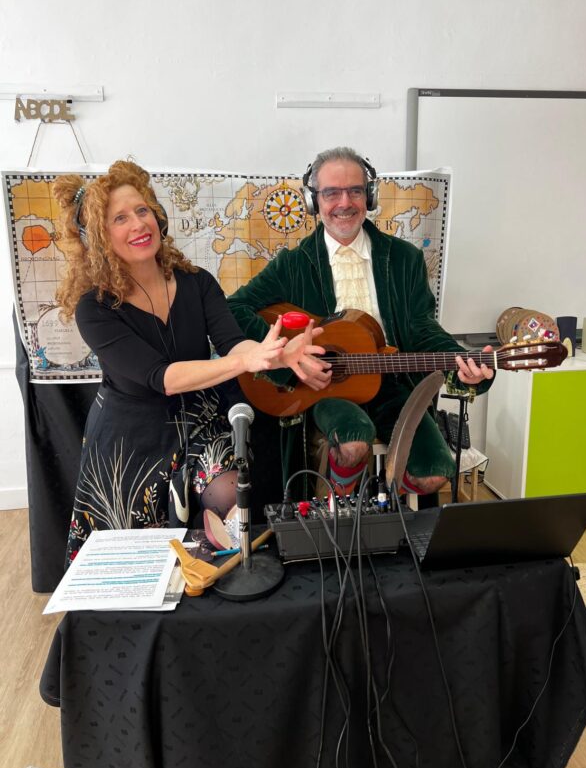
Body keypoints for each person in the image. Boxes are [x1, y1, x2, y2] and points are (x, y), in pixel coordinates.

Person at [54, 160, 321, 563]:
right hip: (130, 437)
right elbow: (162, 378)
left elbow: (232, 343)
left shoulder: (197, 281)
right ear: (98, 238)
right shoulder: (94, 308)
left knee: (230, 497)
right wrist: (243, 363)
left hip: (200, 419)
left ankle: (214, 603)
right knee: (136, 559)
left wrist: (267, 355)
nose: (138, 224)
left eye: (142, 211)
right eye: (120, 218)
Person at [228, 147, 494, 498]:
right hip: (324, 388)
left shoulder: (403, 259)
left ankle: (379, 511)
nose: (345, 202)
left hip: (392, 384)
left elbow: (421, 328)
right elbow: (233, 308)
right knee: (353, 442)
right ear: (314, 201)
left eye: (355, 190)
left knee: (435, 474)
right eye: (331, 193)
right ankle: (340, 516)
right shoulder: (292, 265)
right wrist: (288, 357)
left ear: (368, 196)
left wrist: (461, 365)